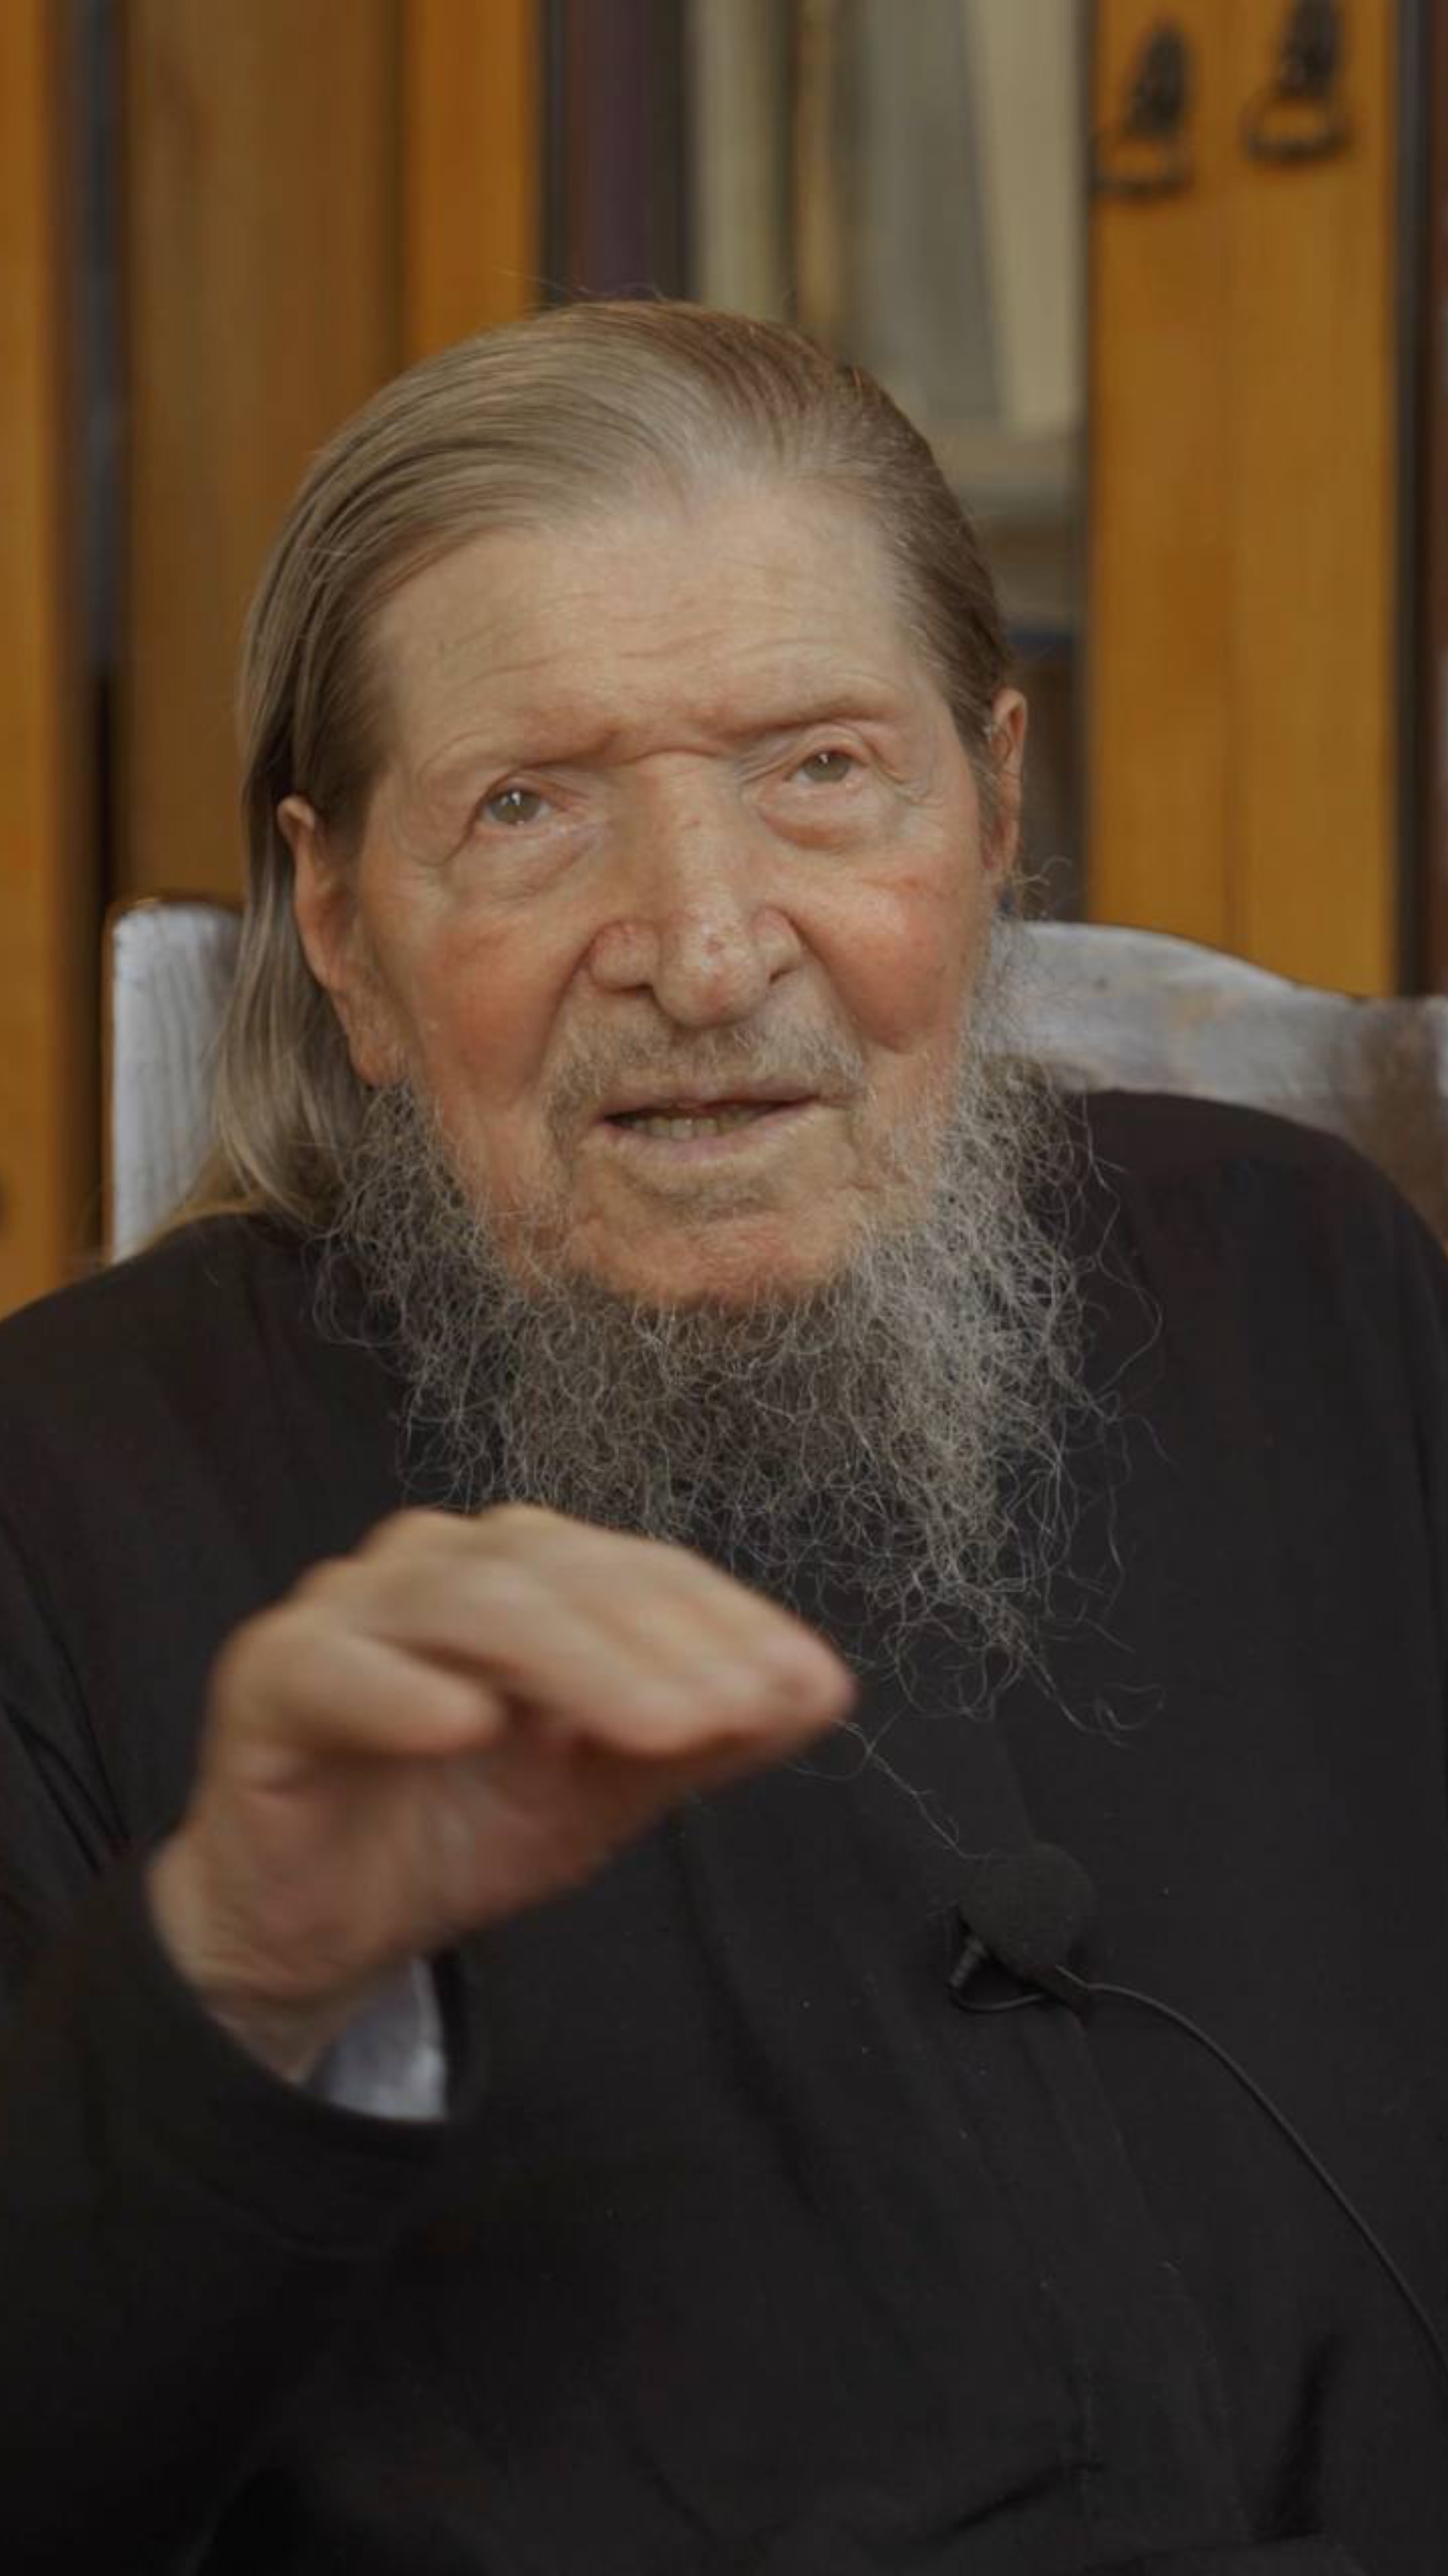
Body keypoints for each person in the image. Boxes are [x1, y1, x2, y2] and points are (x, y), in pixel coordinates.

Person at [1, 302, 1445, 2576]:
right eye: (527, 807)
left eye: (821, 769)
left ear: (992, 811)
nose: (699, 947)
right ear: (343, 927)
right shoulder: (63, 1495)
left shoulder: (1304, 1273)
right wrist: (244, 1978)